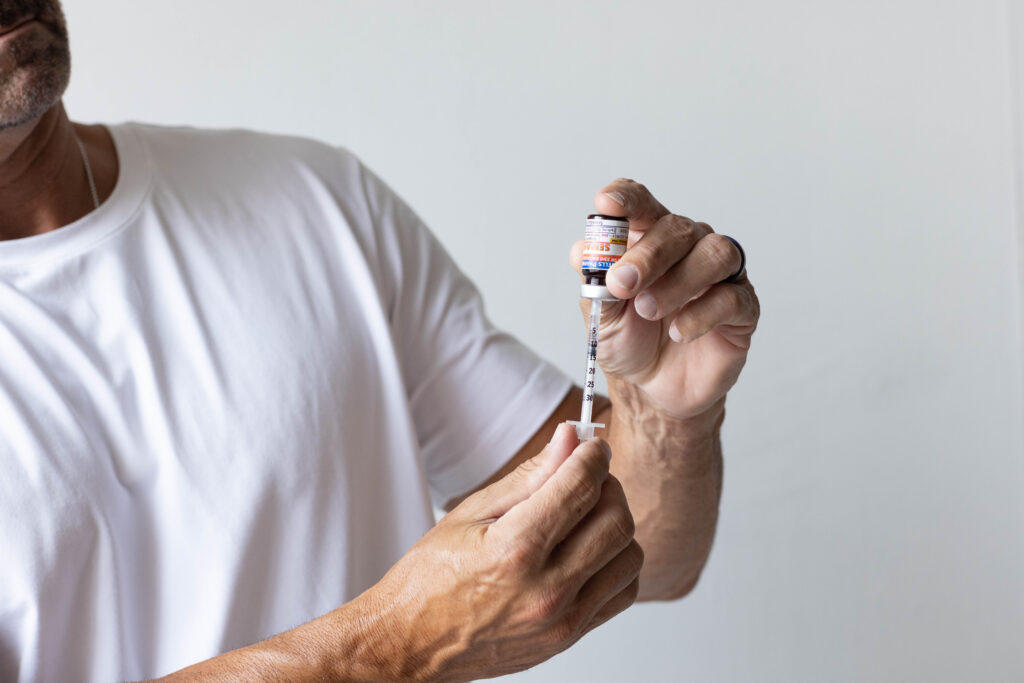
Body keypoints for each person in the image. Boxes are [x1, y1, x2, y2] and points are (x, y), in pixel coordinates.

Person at [0, 1, 760, 681]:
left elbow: (644, 553)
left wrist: (661, 411)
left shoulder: (308, 198)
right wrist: (399, 643)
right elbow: (410, 640)